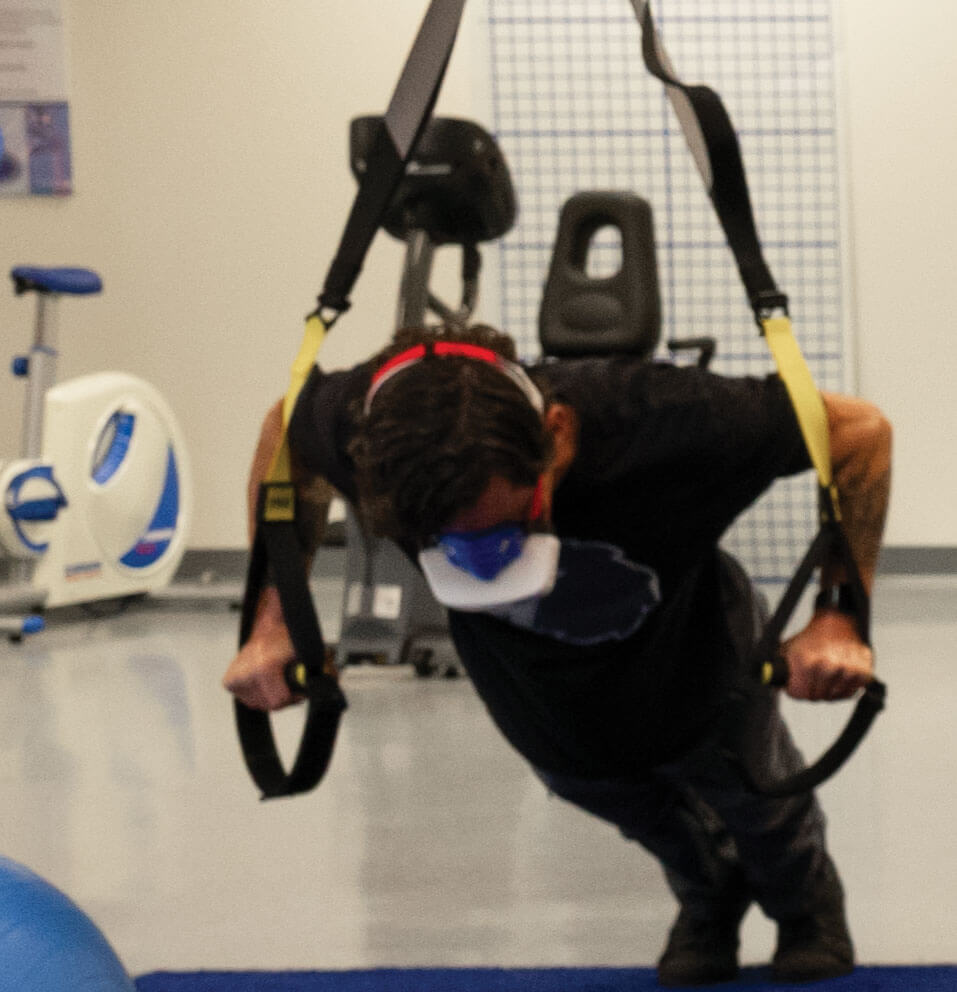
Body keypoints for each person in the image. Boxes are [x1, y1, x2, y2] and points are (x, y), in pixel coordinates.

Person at [223, 322, 891, 986]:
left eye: (504, 530)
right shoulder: (353, 423)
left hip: (695, 653)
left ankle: (805, 909)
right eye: (443, 543)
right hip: (537, 691)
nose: (477, 560)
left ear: (558, 434)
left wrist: (838, 615)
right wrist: (272, 623)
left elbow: (858, 433)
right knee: (629, 807)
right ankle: (708, 899)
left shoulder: (672, 419)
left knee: (755, 799)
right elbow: (284, 437)